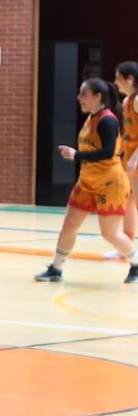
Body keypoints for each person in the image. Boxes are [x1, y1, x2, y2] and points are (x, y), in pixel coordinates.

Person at [35, 77, 137, 283]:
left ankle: (136, 264)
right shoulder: (91, 118)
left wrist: (76, 154)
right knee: (69, 225)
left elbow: (107, 152)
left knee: (110, 234)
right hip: (87, 181)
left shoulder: (108, 120)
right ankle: (56, 268)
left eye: (84, 94)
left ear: (97, 96)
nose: (79, 98)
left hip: (110, 183)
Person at [114, 61, 138, 252]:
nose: (115, 82)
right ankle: (127, 247)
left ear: (130, 78)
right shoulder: (126, 102)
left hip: (135, 158)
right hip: (129, 157)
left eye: (118, 78)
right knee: (127, 200)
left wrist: (135, 158)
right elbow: (127, 134)